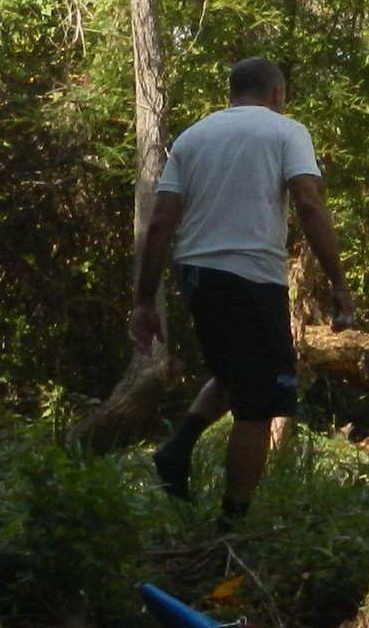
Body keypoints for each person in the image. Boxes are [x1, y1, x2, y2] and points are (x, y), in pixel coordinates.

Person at [132, 56, 355, 522]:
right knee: (260, 404)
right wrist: (338, 283)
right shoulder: (285, 131)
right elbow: (309, 204)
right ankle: (232, 525)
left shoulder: (192, 138)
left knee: (236, 373)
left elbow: (161, 223)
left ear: (232, 94)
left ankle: (177, 449)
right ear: (277, 94)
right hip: (250, 274)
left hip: (195, 276)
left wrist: (144, 301)